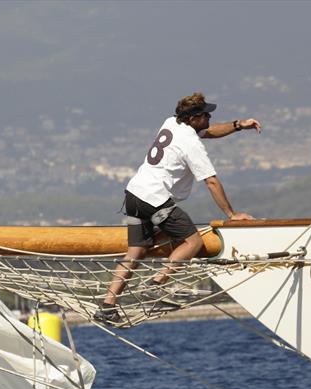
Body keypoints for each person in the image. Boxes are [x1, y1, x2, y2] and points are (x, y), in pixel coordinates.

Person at [94, 92, 260, 324]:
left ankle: (107, 306)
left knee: (136, 251)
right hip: (155, 200)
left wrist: (237, 125)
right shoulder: (191, 144)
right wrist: (232, 214)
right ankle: (156, 284)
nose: (210, 117)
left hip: (133, 196)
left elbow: (209, 132)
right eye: (205, 114)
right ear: (194, 118)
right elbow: (211, 181)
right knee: (193, 241)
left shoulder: (171, 122)